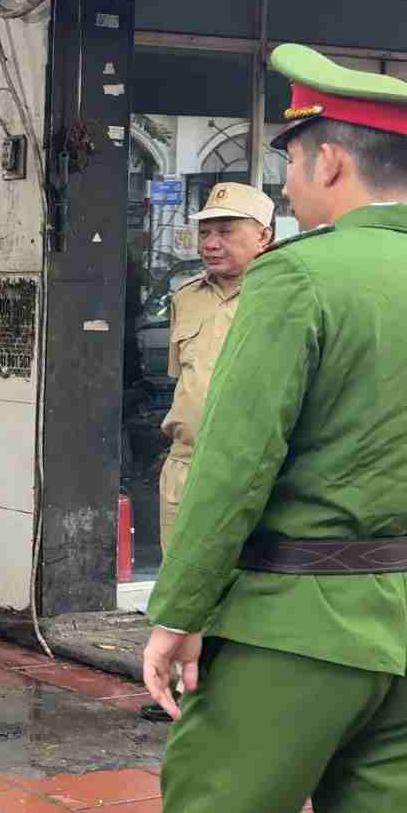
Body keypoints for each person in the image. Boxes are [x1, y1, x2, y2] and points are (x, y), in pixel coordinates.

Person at [141, 44, 407, 813]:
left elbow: (234, 469)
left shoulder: (297, 277)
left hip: (295, 625)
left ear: (330, 160)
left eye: (292, 157)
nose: (292, 176)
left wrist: (179, 612)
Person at [141, 181, 276, 724]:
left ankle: (242, 694)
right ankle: (180, 689)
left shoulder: (282, 297)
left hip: (250, 467)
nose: (212, 242)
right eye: (205, 231)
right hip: (187, 460)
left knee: (247, 579)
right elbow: (187, 382)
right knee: (180, 573)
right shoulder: (186, 297)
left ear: (264, 236)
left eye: (226, 230)